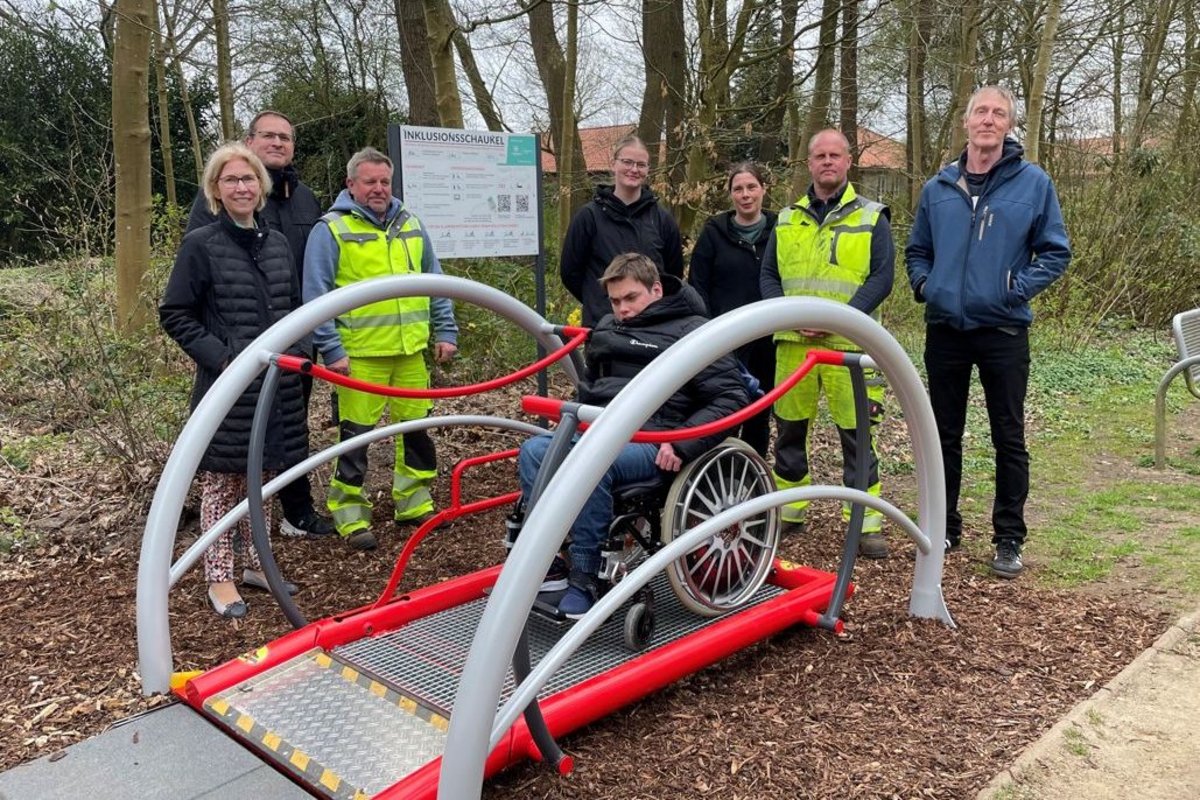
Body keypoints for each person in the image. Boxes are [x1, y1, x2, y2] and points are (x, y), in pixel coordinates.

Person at [519, 253, 748, 618]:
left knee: (591, 462)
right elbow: (593, 388)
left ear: (656, 289)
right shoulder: (610, 328)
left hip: (654, 439)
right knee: (534, 450)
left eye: (631, 298)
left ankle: (586, 573)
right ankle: (546, 561)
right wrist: (573, 418)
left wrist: (682, 441)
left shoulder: (694, 333)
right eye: (614, 301)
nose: (622, 309)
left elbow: (731, 398)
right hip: (600, 428)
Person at [905, 85, 1070, 578]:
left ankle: (1008, 538)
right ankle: (944, 526)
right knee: (942, 435)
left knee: (1008, 435)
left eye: (999, 113)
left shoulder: (1033, 184)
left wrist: (1013, 290)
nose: (989, 120)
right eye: (981, 111)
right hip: (946, 330)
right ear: (966, 121)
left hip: (1002, 330)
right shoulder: (938, 188)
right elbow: (917, 251)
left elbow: (1056, 252)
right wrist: (926, 286)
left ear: (1008, 125)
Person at [161, 142, 307, 618]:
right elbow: (175, 313)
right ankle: (219, 578)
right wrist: (223, 359)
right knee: (223, 485)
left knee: (262, 481)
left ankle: (258, 564)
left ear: (261, 186)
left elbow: (293, 308)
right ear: (216, 190)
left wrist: (299, 352)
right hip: (228, 389)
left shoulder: (278, 243)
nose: (241, 187)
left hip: (275, 387)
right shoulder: (201, 245)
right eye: (231, 180)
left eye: (248, 179)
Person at [185, 110, 333, 541]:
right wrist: (223, 351)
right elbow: (196, 282)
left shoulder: (305, 200)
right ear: (249, 142)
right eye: (268, 135)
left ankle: (295, 512)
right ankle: (225, 540)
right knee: (233, 447)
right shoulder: (218, 202)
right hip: (236, 351)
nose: (277, 143)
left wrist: (306, 343)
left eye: (285, 137)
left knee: (289, 430)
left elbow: (312, 276)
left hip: (294, 344)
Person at [303, 146, 459, 551]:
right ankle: (349, 514)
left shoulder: (410, 223)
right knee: (355, 439)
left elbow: (435, 281)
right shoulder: (331, 229)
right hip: (360, 356)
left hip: (410, 351)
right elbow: (315, 298)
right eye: (369, 181)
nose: (378, 189)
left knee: (417, 432)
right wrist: (331, 350)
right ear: (350, 184)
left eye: (384, 181)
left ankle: (413, 502)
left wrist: (446, 330)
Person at [760, 129, 895, 558]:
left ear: (849, 161)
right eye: (820, 155)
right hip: (793, 344)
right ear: (809, 164)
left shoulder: (872, 216)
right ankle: (790, 510)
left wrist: (843, 317)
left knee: (856, 434)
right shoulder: (785, 218)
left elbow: (882, 277)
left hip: (849, 345)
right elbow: (767, 277)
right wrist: (790, 316)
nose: (827, 162)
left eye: (835, 155)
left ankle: (865, 520)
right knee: (789, 432)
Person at [688, 162, 777, 457]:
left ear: (764, 189)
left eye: (752, 187)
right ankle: (721, 472)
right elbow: (697, 285)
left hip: (769, 339)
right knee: (726, 410)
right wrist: (710, 330)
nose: (745, 194)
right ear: (730, 194)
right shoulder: (714, 232)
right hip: (726, 341)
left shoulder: (781, 228)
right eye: (738, 188)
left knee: (760, 413)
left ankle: (753, 480)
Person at [560, 135, 685, 327]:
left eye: (641, 164)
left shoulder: (662, 220)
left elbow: (673, 273)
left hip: (653, 327)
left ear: (648, 170)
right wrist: (601, 301)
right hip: (603, 327)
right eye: (627, 162)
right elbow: (570, 272)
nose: (634, 169)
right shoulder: (588, 217)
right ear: (614, 164)